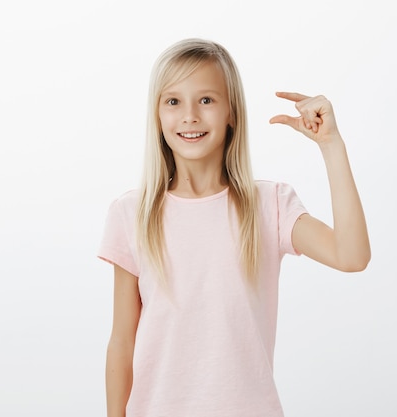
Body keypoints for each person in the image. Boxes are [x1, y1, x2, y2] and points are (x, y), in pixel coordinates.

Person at [97, 38, 371, 417]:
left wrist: (331, 145)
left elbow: (352, 256)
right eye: (173, 101)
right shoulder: (131, 213)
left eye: (206, 100)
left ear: (231, 112)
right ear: (157, 115)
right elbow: (122, 342)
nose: (190, 115)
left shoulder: (269, 204)